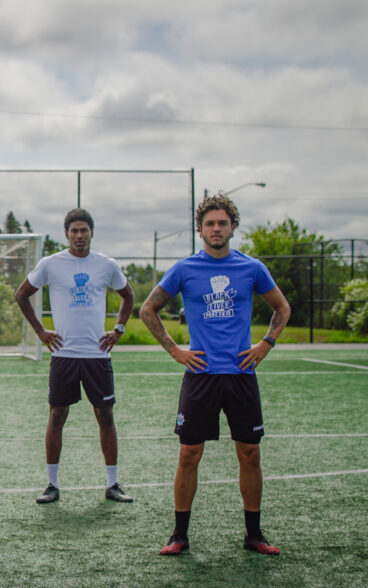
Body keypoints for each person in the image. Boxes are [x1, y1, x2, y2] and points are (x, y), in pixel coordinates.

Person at [139, 193, 290, 556]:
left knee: (250, 453)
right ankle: (179, 535)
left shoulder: (252, 268)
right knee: (188, 454)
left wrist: (265, 344)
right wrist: (175, 350)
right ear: (200, 229)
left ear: (233, 227)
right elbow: (147, 310)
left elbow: (282, 308)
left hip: (241, 374)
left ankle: (254, 535)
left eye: (223, 223)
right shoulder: (184, 269)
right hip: (201, 375)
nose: (216, 229)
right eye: (210, 223)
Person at [15, 208, 136, 504]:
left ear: (92, 233)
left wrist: (118, 329)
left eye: (84, 231)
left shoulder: (106, 265)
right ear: (66, 234)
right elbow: (21, 294)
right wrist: (40, 331)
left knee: (105, 416)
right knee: (57, 415)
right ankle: (52, 485)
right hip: (64, 354)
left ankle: (112, 484)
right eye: (74, 231)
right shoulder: (50, 264)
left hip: (97, 354)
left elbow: (128, 296)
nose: (79, 236)